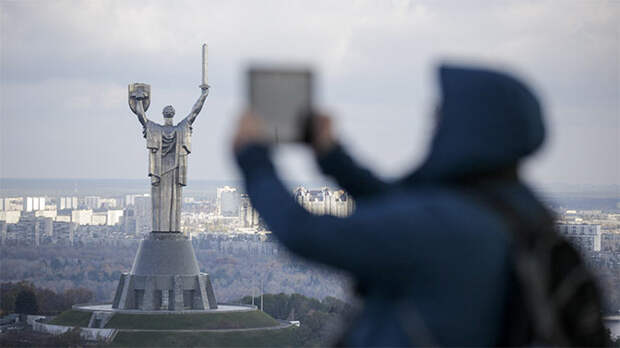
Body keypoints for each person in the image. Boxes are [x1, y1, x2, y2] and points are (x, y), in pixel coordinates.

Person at [232, 65, 607, 346]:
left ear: (471, 130)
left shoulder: (445, 225)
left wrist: (253, 157)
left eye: (443, 114)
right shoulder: (515, 208)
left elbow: (304, 233)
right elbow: (404, 207)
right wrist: (332, 157)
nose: (434, 122)